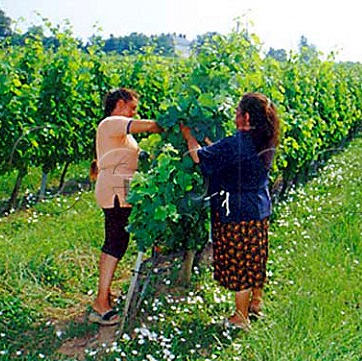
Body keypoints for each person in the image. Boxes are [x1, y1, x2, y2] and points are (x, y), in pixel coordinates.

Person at [180, 92, 280, 329]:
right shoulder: (264, 138)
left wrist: (188, 136)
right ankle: (256, 303)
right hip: (258, 207)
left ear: (245, 116)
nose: (234, 115)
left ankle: (240, 317)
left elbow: (198, 158)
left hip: (236, 211)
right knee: (255, 257)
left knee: (239, 262)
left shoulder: (237, 142)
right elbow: (229, 156)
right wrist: (210, 144)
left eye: (237, 112)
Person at [89, 88, 163, 325]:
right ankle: (100, 304)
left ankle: (104, 295)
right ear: (120, 104)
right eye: (132, 107)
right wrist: (172, 123)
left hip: (121, 190)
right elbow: (150, 126)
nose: (134, 112)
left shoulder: (119, 131)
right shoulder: (110, 123)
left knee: (117, 241)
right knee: (115, 242)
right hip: (114, 191)